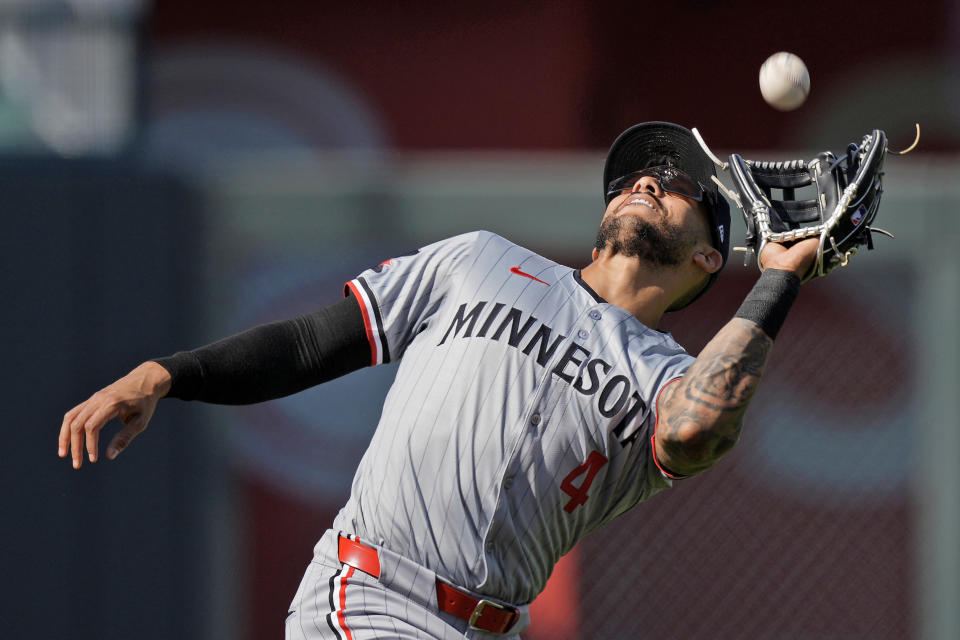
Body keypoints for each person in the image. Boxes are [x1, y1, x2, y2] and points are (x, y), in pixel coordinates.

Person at [59, 121, 819, 639]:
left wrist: (779, 279)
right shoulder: (479, 260)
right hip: (372, 593)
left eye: (678, 182)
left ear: (710, 257)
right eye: (636, 174)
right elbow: (313, 342)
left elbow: (698, 427)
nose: (649, 180)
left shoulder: (668, 378)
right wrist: (167, 373)